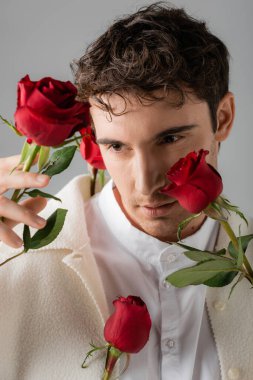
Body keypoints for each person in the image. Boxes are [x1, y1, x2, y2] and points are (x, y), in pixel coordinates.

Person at [0, 3, 252, 380]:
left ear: (224, 118)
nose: (147, 183)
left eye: (170, 138)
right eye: (116, 146)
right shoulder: (11, 263)